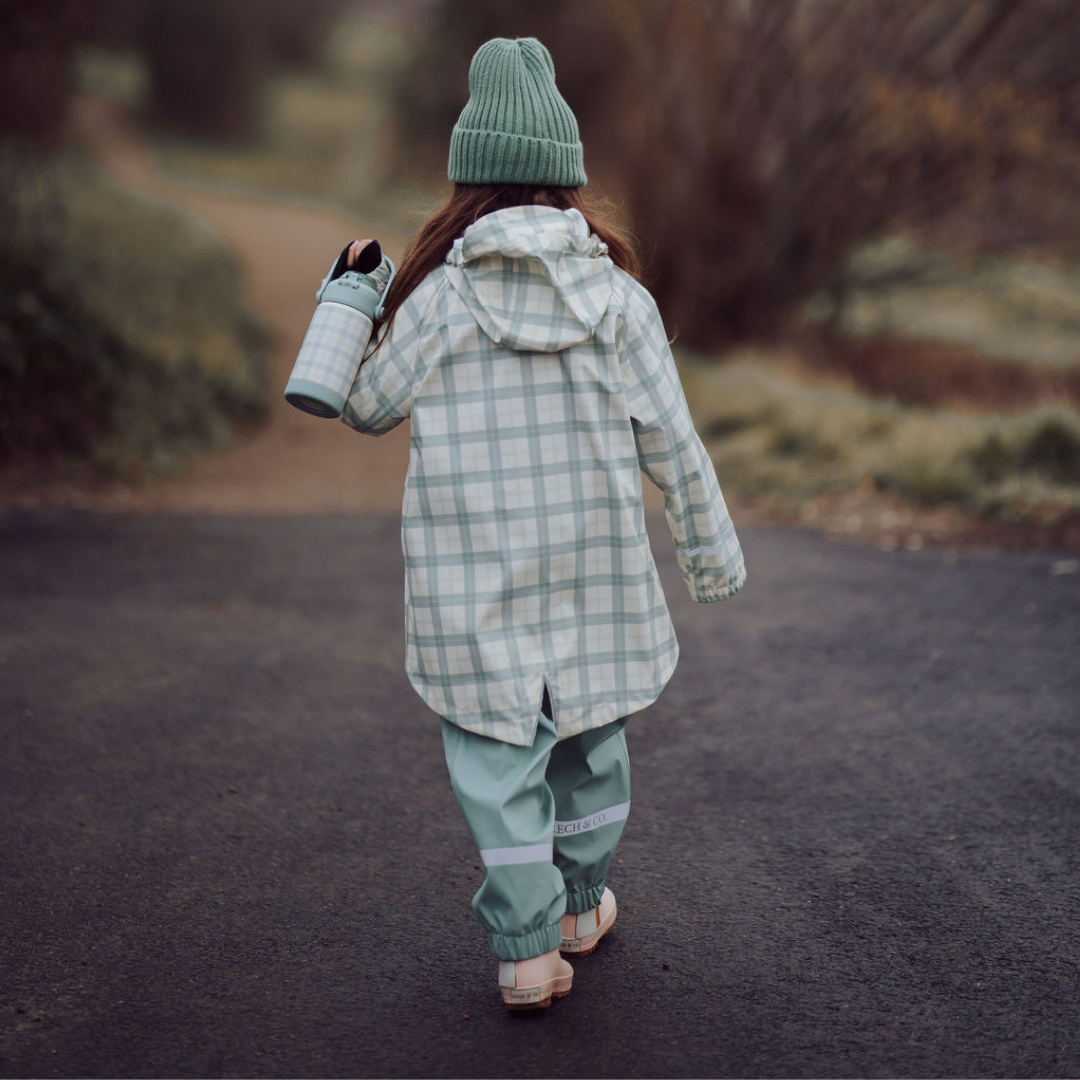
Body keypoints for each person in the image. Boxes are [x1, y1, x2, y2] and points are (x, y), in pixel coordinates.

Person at [335, 36, 746, 1010]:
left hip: (476, 584)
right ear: (568, 178)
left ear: (465, 184)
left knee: (497, 756)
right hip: (593, 576)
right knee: (592, 743)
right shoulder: (620, 302)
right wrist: (709, 554)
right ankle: (578, 908)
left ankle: (525, 951)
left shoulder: (437, 300)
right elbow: (674, 441)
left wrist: (351, 301)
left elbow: (364, 405)